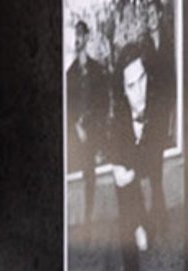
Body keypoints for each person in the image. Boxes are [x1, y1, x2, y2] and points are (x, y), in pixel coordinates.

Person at [110, 40, 165, 271]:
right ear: (122, 90)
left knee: (151, 223)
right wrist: (136, 226)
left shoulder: (156, 105)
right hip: (124, 170)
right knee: (128, 228)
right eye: (131, 86)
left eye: (142, 80)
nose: (139, 91)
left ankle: (149, 223)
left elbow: (155, 152)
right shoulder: (117, 121)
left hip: (145, 164)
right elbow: (122, 175)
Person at [66, 19, 110, 227]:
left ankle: (88, 218)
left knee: (90, 173)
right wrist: (76, 127)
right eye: (76, 34)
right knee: (82, 171)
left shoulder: (96, 69)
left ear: (88, 37)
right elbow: (67, 106)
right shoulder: (69, 74)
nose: (78, 38)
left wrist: (98, 130)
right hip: (77, 132)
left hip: (94, 130)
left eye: (82, 34)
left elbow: (103, 102)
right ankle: (81, 218)